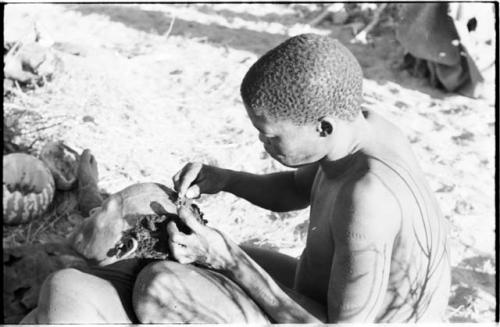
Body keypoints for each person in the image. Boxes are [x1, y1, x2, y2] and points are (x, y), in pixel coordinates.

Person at [24, 34, 450, 324]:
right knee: (189, 260)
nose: (263, 144)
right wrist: (225, 179)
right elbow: (297, 189)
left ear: (322, 127)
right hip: (317, 296)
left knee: (164, 287)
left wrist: (228, 260)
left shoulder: (370, 200)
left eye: (270, 135)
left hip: (328, 317)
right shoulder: (358, 130)